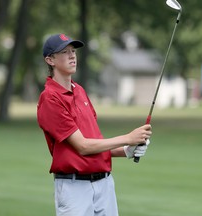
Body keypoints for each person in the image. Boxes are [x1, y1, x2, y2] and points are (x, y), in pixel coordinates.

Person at [37, 33, 152, 216]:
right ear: (50, 60)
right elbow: (82, 146)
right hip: (74, 188)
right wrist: (128, 138)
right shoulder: (50, 98)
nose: (72, 55)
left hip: (104, 185)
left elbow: (93, 142)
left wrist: (125, 150)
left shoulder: (80, 91)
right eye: (64, 52)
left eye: (73, 51)